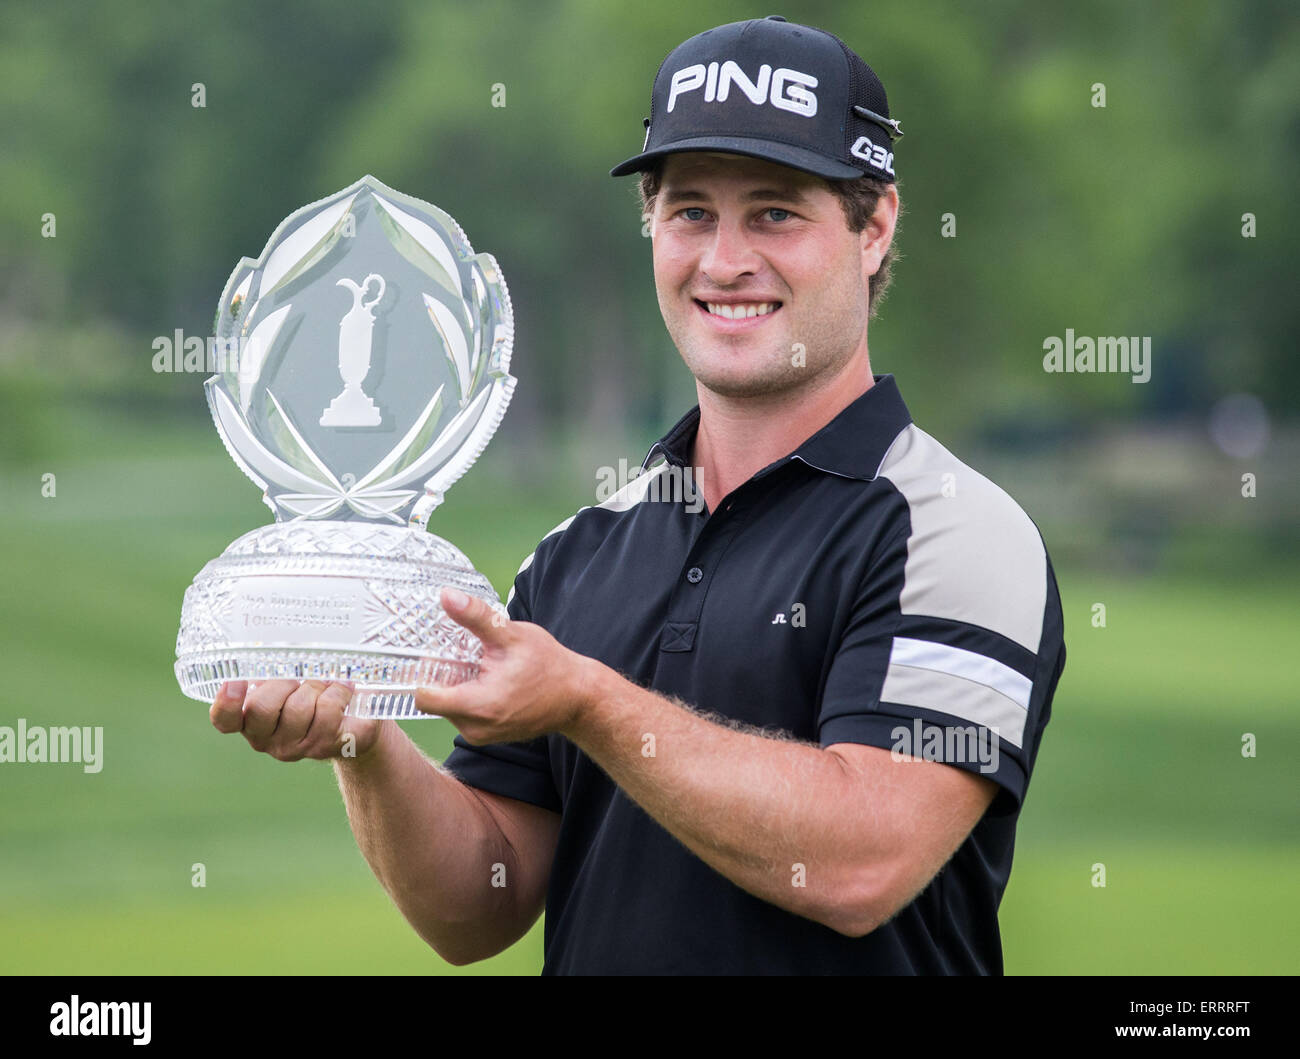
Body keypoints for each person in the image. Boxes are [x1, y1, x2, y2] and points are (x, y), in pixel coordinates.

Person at [209, 15, 1066, 975]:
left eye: (776, 212)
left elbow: (860, 858)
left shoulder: (956, 531)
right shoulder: (578, 552)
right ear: (651, 226)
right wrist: (363, 738)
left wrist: (585, 698)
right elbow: (475, 906)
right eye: (691, 210)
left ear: (874, 227)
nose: (725, 260)